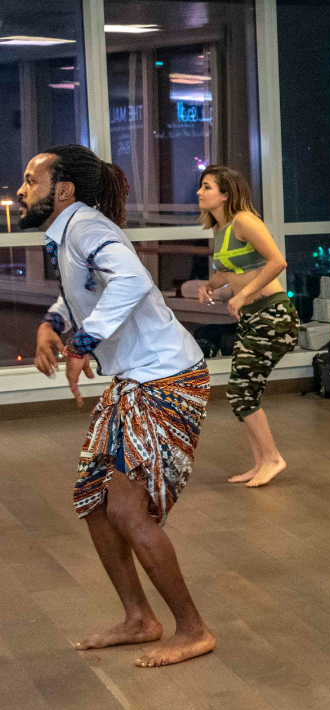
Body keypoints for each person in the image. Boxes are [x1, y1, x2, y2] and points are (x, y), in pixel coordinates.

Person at [27, 144, 214, 666]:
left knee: (129, 511)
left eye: (31, 180)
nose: (21, 190)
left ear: (62, 190)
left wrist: (82, 343)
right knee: (95, 502)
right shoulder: (70, 234)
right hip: (135, 380)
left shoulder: (86, 228)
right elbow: (82, 291)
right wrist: (53, 322)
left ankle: (193, 629)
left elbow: (131, 279)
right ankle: (139, 618)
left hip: (166, 378)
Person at [196, 165, 299, 487]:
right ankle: (261, 462)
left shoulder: (244, 221)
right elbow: (230, 269)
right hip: (255, 318)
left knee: (242, 391)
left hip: (273, 315)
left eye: (207, 186)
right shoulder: (221, 228)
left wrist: (244, 296)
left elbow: (278, 262)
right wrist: (211, 285)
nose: (199, 192)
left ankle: (272, 459)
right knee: (241, 393)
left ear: (226, 193)